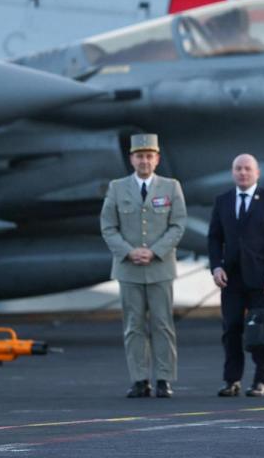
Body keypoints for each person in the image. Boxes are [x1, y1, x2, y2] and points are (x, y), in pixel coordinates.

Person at [100, 133, 187, 398]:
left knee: (162, 324)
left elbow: (178, 224)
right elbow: (108, 226)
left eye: (149, 156)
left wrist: (155, 251)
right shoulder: (117, 188)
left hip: (160, 268)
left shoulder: (171, 187)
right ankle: (139, 379)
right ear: (131, 159)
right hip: (129, 268)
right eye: (139, 156)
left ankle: (163, 379)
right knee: (133, 326)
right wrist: (129, 252)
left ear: (157, 159)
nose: (144, 161)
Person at [208, 153, 264, 397]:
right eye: (238, 169)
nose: (243, 173)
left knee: (261, 331)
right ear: (233, 172)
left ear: (257, 173)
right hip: (231, 278)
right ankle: (231, 380)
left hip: (261, 279)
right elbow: (214, 238)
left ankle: (261, 380)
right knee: (231, 329)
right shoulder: (223, 200)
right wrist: (216, 266)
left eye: (247, 169)